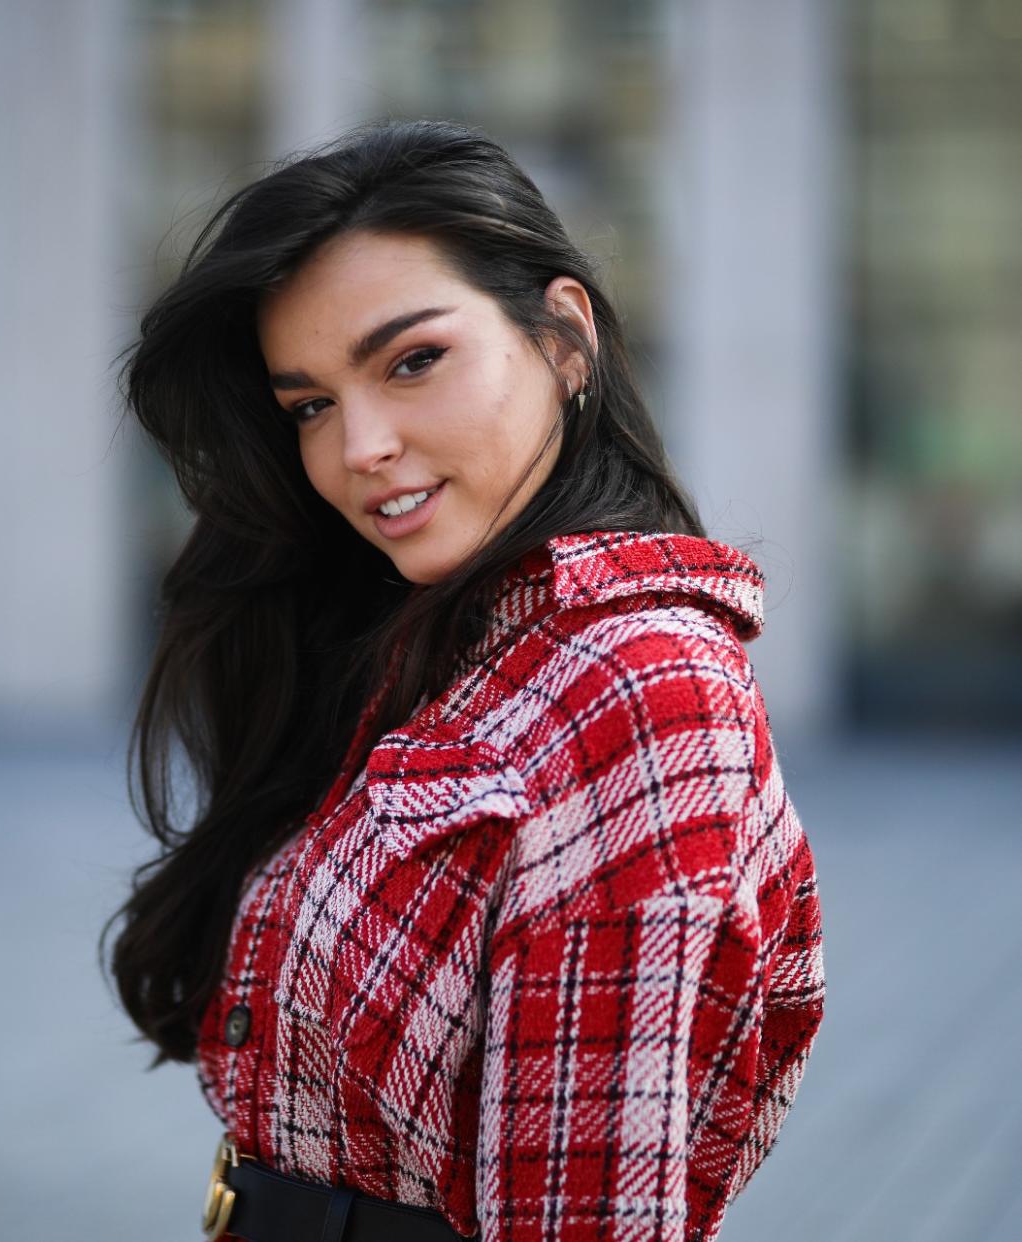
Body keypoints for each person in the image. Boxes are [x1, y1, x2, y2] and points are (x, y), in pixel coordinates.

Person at [101, 118, 826, 1242]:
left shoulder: (638, 689)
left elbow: (583, 1217)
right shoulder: (436, 647)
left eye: (414, 361)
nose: (362, 447)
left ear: (564, 341)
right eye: (311, 406)